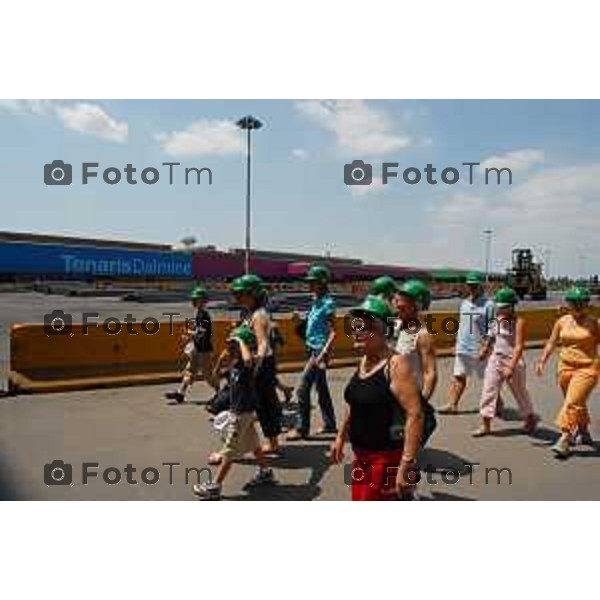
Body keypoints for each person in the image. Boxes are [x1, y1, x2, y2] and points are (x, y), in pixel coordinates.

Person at [330, 295, 424, 501]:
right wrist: (340, 437)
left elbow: (415, 414)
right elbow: (352, 402)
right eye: (355, 325)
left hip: (386, 459)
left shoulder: (396, 365)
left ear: (384, 331)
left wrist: (406, 464)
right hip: (361, 456)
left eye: (365, 327)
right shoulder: (364, 360)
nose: (356, 332)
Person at [193, 325, 275, 500]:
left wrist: (239, 341)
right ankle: (266, 471)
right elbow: (216, 378)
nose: (230, 348)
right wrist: (219, 362)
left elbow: (247, 360)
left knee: (230, 449)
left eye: (234, 345)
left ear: (244, 346)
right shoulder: (235, 366)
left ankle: (215, 486)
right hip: (239, 412)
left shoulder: (249, 363)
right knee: (254, 444)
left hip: (242, 414)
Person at [535, 286, 599, 458]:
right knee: (577, 401)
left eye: (581, 302)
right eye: (574, 302)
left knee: (572, 402)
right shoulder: (562, 321)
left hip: (587, 368)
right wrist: (542, 360)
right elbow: (551, 342)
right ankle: (584, 431)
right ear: (569, 303)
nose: (578, 306)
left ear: (587, 303)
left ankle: (564, 438)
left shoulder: (594, 323)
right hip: (565, 368)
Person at [472, 287, 536, 437]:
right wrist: (484, 351)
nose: (500, 310)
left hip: (513, 360)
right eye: (499, 307)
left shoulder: (520, 322)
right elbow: (490, 339)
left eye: (504, 307)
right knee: (489, 390)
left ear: (512, 306)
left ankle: (530, 418)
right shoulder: (496, 321)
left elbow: (519, 346)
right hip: (496, 359)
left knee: (520, 392)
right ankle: (485, 425)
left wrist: (511, 367)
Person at [230, 273, 282, 454]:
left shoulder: (259, 315)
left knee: (248, 408)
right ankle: (263, 444)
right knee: (258, 407)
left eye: (241, 294)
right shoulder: (249, 313)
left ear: (253, 294)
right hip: (254, 365)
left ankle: (231, 450)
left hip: (258, 366)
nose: (236, 297)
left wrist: (256, 363)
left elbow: (263, 342)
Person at [287, 264, 337, 440]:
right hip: (311, 349)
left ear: (322, 283)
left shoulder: (328, 303)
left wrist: (323, 353)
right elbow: (314, 325)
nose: (309, 285)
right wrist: (299, 319)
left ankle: (302, 428)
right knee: (321, 388)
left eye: (313, 282)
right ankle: (330, 424)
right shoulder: (315, 301)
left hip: (318, 351)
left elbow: (333, 332)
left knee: (302, 389)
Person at [439, 272, 496, 414]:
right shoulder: (464, 303)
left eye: (474, 285)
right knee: (458, 376)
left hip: (480, 348)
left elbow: (493, 327)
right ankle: (452, 405)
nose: (472, 288)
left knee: (488, 380)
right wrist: (455, 343)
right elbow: (463, 325)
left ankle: (497, 405)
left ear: (481, 286)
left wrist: (486, 347)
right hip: (463, 347)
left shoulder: (489, 305)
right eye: (470, 285)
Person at [392, 279, 438, 445]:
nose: (397, 305)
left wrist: (422, 403)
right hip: (391, 394)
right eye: (397, 301)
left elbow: (430, 372)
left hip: (409, 398)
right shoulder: (394, 327)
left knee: (405, 442)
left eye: (402, 302)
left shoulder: (422, 335)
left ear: (416, 305)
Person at [165, 285, 217, 403]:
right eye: (194, 300)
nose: (194, 302)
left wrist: (190, 334)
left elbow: (202, 333)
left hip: (204, 350)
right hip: (198, 348)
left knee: (208, 375)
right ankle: (180, 393)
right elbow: (199, 331)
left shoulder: (204, 315)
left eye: (197, 300)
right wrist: (191, 334)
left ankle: (220, 394)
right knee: (189, 370)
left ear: (203, 301)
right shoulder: (199, 314)